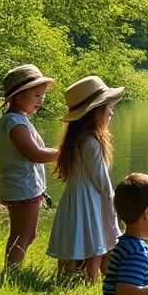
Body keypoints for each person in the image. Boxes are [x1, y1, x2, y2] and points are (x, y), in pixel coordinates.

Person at [45, 76, 124, 282]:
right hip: (90, 200)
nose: (112, 112)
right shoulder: (91, 142)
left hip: (75, 198)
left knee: (77, 241)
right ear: (96, 112)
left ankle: (69, 277)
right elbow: (101, 180)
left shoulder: (78, 139)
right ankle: (90, 281)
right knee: (95, 245)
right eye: (108, 108)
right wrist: (114, 198)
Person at [0, 65, 59, 268]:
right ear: (18, 94)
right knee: (25, 234)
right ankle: (12, 271)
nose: (41, 100)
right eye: (36, 95)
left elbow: (37, 151)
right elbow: (36, 154)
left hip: (20, 186)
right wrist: (67, 152)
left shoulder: (18, 120)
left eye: (42, 96)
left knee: (22, 233)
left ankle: (11, 269)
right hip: (22, 187)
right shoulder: (14, 123)